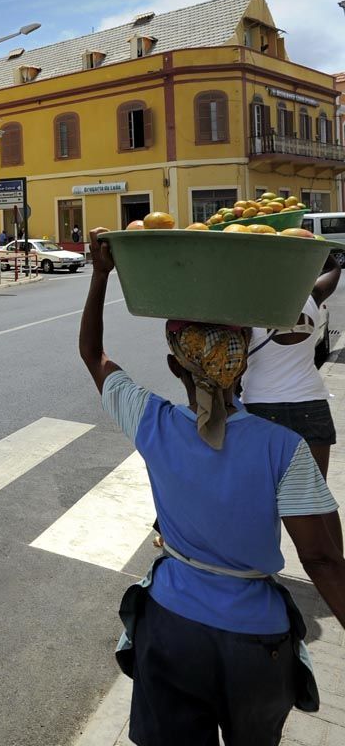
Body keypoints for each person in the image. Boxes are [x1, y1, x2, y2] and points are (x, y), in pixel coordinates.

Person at [80, 227, 345, 746]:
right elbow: (323, 560)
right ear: (243, 359)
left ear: (174, 363)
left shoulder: (151, 421)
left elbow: (93, 353)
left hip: (171, 629)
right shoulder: (282, 447)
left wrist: (101, 275)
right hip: (256, 645)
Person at [242, 258, 341, 479]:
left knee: (267, 494)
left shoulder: (245, 309)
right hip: (312, 404)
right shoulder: (312, 298)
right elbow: (333, 268)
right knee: (315, 496)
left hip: (261, 407)